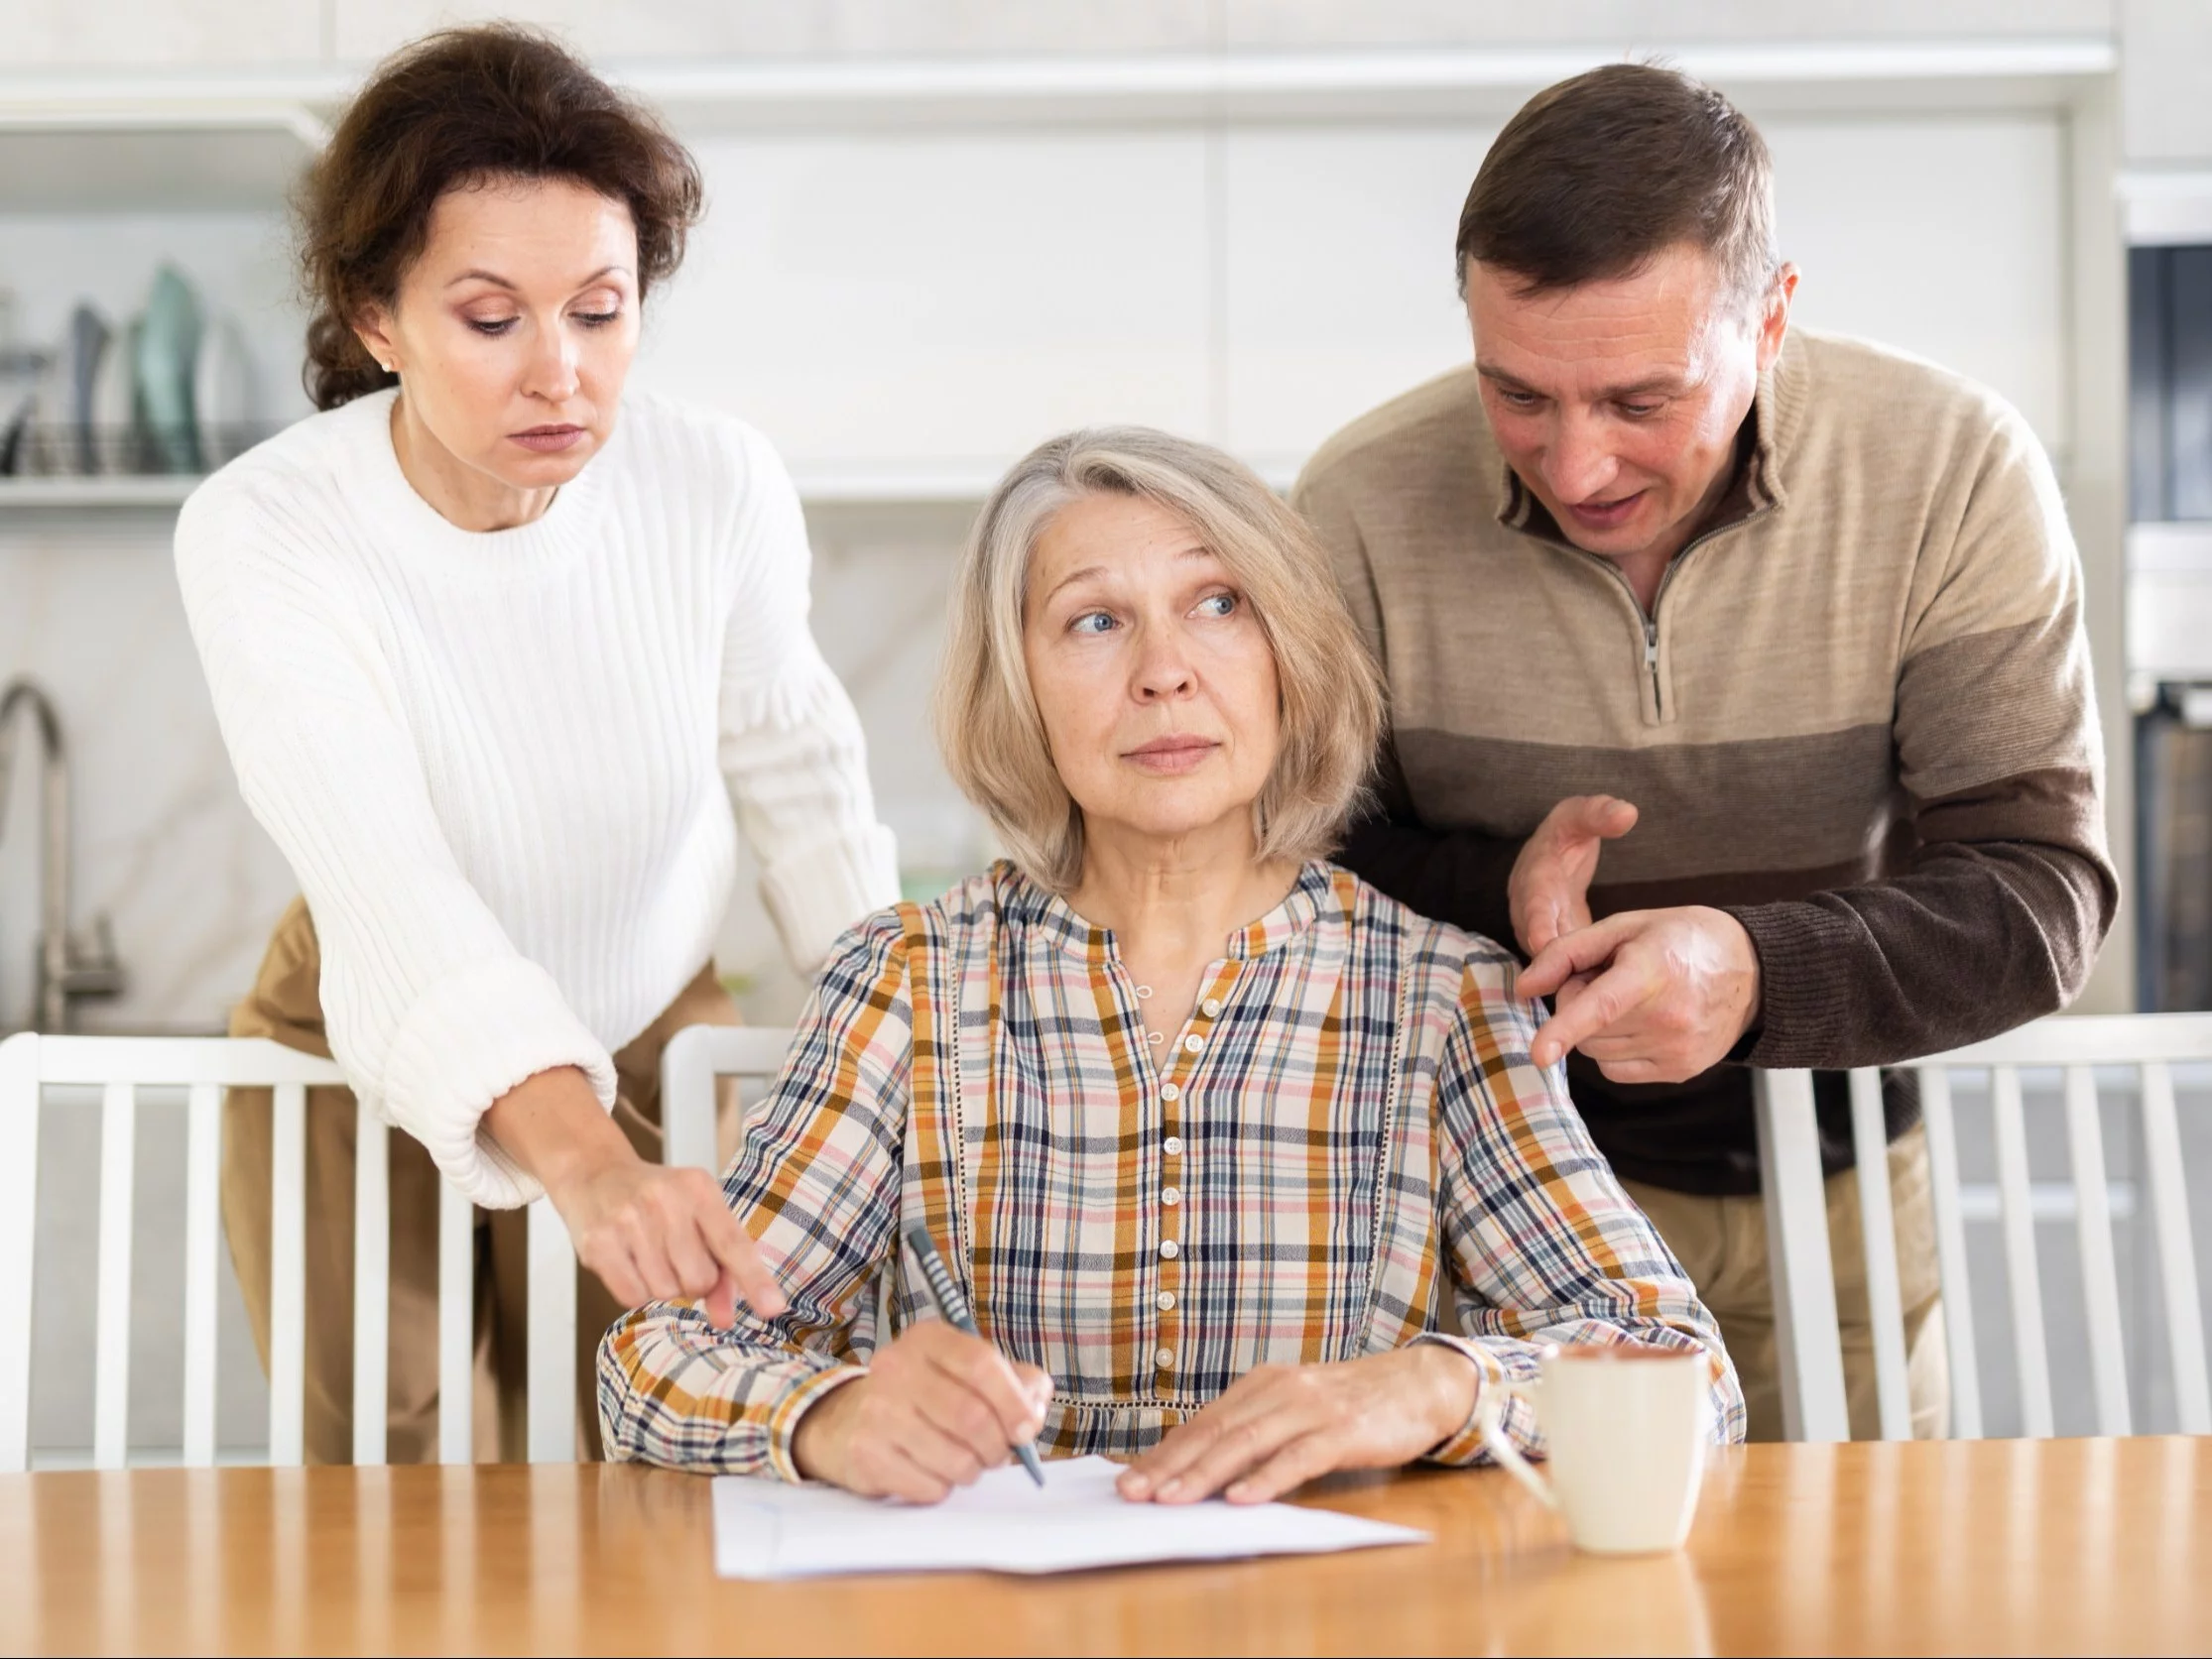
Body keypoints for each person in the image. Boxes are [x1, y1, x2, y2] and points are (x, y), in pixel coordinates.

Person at [596, 425, 1744, 1499]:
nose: (1164, 671)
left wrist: (1439, 1383)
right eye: (1095, 621)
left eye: (1216, 604)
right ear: (1020, 687)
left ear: (1288, 655)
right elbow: (654, 1359)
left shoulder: (1442, 994)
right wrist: (828, 1411)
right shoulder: (906, 981)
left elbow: (1685, 1373)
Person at [1294, 63, 2117, 1441]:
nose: (1574, 465)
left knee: (1854, 1605)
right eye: (1515, 393)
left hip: (1840, 1182)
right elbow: (1294, 878)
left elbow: (2040, 898)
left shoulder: (1952, 471)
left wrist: (1751, 975)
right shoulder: (1356, 506)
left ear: (1772, 317)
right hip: (1501, 1205)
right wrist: (1500, 893)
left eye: (1639, 399)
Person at [175, 26, 898, 1462]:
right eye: (492, 319)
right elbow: (381, 872)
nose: (560, 373)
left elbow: (796, 773)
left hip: (650, 1012)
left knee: (649, 1444)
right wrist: (584, 1161)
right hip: (362, 1027)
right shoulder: (266, 529)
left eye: (601, 310)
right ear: (377, 318)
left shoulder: (714, 482)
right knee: (380, 1458)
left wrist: (903, 1049)